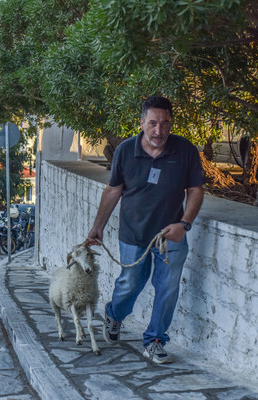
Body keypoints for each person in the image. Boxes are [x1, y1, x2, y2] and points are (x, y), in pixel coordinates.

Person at [87, 95, 204, 364]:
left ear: (171, 125)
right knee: (130, 284)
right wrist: (97, 227)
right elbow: (113, 189)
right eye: (152, 123)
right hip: (133, 234)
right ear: (141, 123)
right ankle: (114, 314)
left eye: (165, 124)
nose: (158, 131)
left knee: (167, 288)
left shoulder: (185, 151)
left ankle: (155, 340)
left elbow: (196, 190)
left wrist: (184, 225)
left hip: (169, 236)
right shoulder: (126, 151)